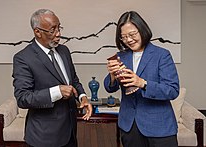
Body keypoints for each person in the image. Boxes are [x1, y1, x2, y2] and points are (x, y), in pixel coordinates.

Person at [12, 9, 92, 147]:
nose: (58, 34)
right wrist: (57, 92)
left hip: (70, 133)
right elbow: (23, 98)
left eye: (59, 27)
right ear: (37, 32)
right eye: (52, 30)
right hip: (44, 137)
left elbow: (73, 80)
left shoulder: (64, 51)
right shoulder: (23, 58)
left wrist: (82, 97)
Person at [104, 11, 180, 147]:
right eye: (124, 37)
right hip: (130, 127)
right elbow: (110, 87)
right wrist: (112, 75)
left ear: (142, 30)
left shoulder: (162, 55)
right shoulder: (121, 56)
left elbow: (172, 90)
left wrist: (142, 83)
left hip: (159, 128)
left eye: (132, 34)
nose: (128, 40)